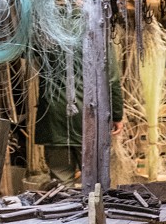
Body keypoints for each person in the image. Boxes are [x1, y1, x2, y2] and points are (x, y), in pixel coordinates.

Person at [36, 42, 124, 185]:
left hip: (55, 117)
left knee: (61, 184)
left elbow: (21, 50)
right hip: (89, 117)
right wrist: (117, 115)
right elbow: (112, 80)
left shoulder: (47, 33)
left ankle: (65, 206)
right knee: (95, 182)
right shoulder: (99, 30)